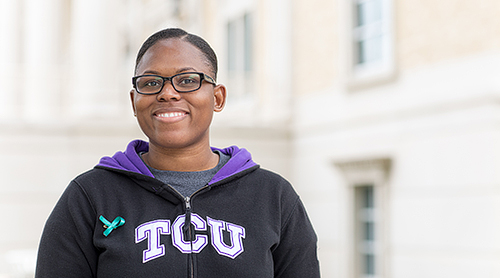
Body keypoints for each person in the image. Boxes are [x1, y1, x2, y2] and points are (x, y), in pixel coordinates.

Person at [35, 28, 320, 277]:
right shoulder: (89, 197)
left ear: (217, 97)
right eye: (150, 83)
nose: (167, 93)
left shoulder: (274, 197)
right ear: (135, 102)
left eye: (187, 80)